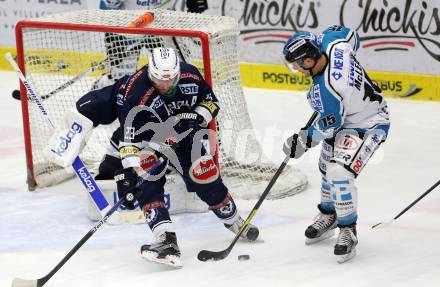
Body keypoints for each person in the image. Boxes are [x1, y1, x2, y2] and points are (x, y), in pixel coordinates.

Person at [46, 47, 259, 268]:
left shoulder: (191, 76)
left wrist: (197, 117)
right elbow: (129, 142)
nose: (166, 85)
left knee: (203, 173)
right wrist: (130, 171)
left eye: (170, 79)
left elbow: (211, 101)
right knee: (146, 183)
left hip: (183, 135)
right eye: (159, 80)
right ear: (150, 72)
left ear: (178, 72)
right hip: (147, 141)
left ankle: (234, 221)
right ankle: (166, 241)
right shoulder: (135, 94)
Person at [281, 25, 390, 263]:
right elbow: (351, 34)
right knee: (325, 166)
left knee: (338, 171)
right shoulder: (333, 42)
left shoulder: (328, 88)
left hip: (368, 123)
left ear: (309, 60)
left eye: (298, 65)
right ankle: (329, 214)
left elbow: (329, 125)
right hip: (347, 115)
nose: (297, 69)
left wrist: (301, 141)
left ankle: (348, 230)